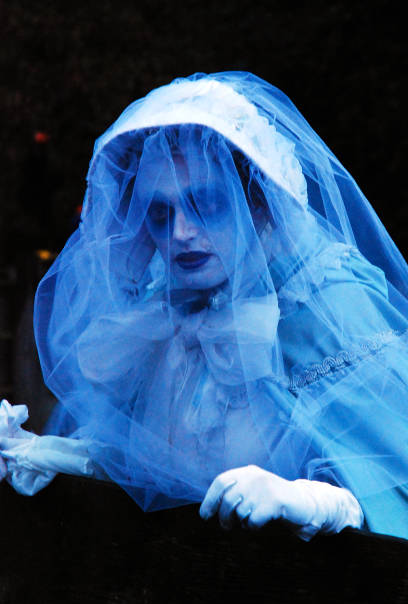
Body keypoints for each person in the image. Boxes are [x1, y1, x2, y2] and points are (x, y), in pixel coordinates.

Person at [2, 72, 408, 540]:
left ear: (260, 203)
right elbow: (143, 473)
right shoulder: (157, 326)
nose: (179, 233)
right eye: (159, 212)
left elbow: (393, 473)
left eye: (207, 203)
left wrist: (324, 502)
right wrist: (35, 455)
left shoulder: (323, 304)